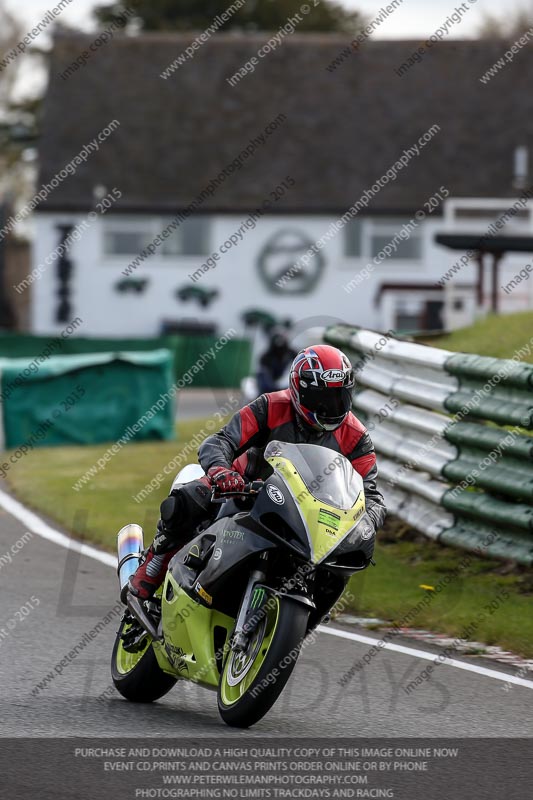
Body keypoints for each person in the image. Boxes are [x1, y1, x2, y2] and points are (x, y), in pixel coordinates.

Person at [126, 344, 387, 601]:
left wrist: (366, 522)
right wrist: (221, 472)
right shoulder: (270, 406)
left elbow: (371, 495)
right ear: (299, 390)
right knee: (191, 498)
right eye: (322, 398)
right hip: (244, 489)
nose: (332, 407)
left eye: (339, 397)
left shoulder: (356, 437)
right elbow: (221, 441)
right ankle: (153, 565)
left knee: (338, 569)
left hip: (308, 513)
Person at [256, 327, 296, 395]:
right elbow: (264, 373)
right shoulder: (266, 357)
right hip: (269, 386)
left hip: (286, 385)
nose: (280, 352)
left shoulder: (292, 354)